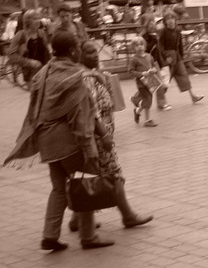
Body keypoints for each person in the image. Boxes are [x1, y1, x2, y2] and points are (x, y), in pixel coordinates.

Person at [4, 31, 115, 250]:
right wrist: (91, 148)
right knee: (84, 182)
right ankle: (88, 236)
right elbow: (83, 118)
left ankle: (50, 236)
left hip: (47, 141)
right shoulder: (75, 78)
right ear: (73, 51)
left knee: (59, 189)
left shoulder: (45, 72)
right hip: (70, 143)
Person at [72, 40, 153, 231]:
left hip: (96, 135)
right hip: (98, 137)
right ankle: (128, 215)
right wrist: (104, 135)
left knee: (88, 175)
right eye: (89, 52)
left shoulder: (92, 75)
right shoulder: (87, 78)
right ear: (80, 55)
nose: (95, 55)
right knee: (114, 174)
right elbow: (91, 110)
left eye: (95, 52)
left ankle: (77, 219)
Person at [159, 13, 205, 105]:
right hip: (168, 58)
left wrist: (181, 56)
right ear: (165, 22)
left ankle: (193, 96)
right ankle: (161, 101)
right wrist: (165, 57)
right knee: (166, 80)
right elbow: (160, 46)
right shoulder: (163, 31)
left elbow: (179, 45)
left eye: (173, 18)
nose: (171, 21)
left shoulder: (177, 30)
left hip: (177, 57)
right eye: (168, 19)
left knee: (184, 76)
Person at [128, 37, 160, 127]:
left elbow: (154, 66)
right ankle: (147, 120)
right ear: (133, 48)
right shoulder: (134, 59)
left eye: (141, 45)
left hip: (150, 81)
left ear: (145, 46)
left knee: (148, 100)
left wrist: (153, 70)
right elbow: (131, 71)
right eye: (136, 45)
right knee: (148, 100)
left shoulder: (149, 56)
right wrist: (142, 73)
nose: (139, 47)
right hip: (141, 83)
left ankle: (137, 111)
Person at [11, 10, 50, 82]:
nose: (38, 20)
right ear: (27, 22)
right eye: (35, 19)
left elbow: (47, 49)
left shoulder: (42, 33)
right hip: (31, 74)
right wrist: (30, 62)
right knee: (37, 92)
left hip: (46, 70)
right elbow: (12, 56)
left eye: (39, 18)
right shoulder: (20, 35)